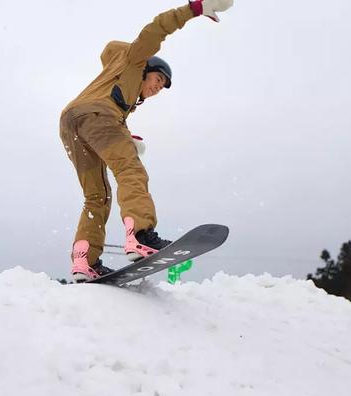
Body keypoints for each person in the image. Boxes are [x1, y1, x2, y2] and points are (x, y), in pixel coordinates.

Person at [60, 0, 234, 282]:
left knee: (96, 196)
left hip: (71, 123)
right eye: (157, 79)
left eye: (162, 87)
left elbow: (107, 114)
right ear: (145, 69)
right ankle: (140, 236)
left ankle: (84, 260)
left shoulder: (115, 91)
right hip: (97, 117)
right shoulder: (134, 61)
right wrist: (196, 9)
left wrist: (128, 136)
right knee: (131, 171)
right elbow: (155, 30)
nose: (157, 87)